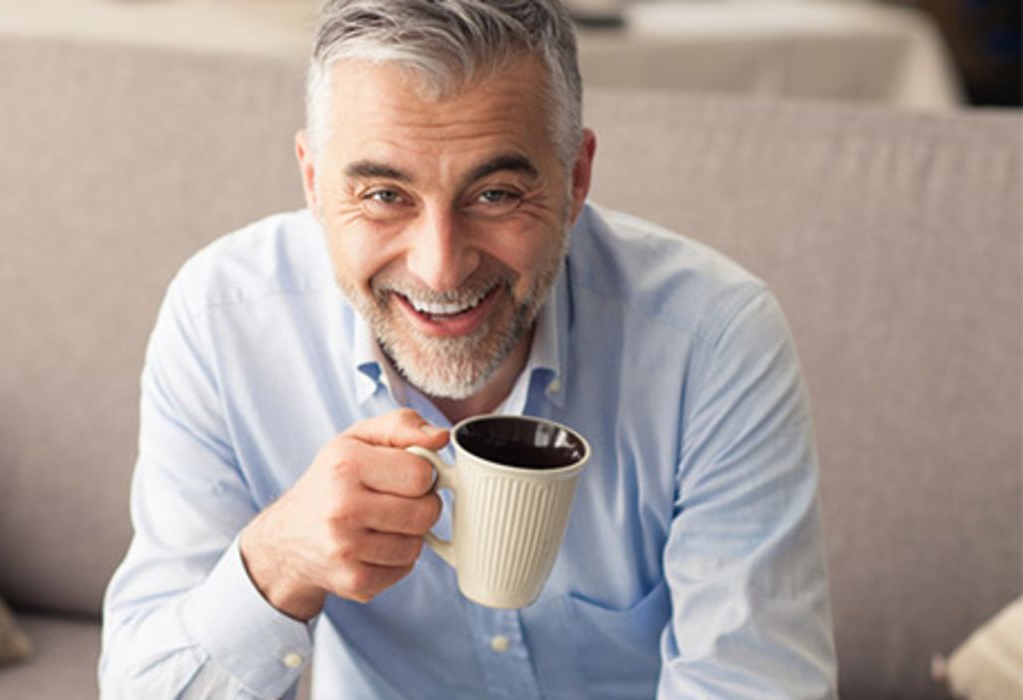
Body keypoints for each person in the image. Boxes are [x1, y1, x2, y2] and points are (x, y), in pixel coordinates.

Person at [99, 0, 837, 697]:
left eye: (495, 195)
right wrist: (279, 560)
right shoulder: (222, 323)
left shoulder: (711, 341)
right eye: (385, 196)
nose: (439, 268)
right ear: (315, 183)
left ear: (575, 178)